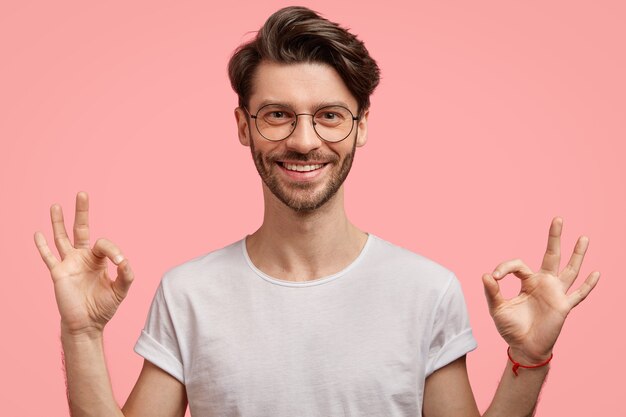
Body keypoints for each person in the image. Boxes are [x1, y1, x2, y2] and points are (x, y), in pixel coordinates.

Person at [34, 6, 600, 417]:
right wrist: (81, 332)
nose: (304, 141)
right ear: (243, 127)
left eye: (329, 115)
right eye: (277, 114)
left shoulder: (426, 291)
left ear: (362, 127)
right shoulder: (189, 293)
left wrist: (530, 356)